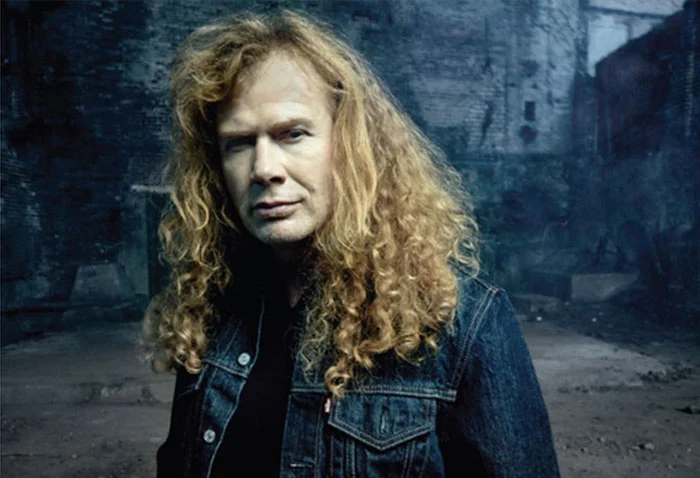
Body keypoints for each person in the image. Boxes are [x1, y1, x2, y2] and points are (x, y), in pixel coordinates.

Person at [143, 9, 560, 478]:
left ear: (349, 144)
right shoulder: (212, 310)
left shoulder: (463, 323)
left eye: (292, 134)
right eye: (238, 143)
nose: (264, 169)